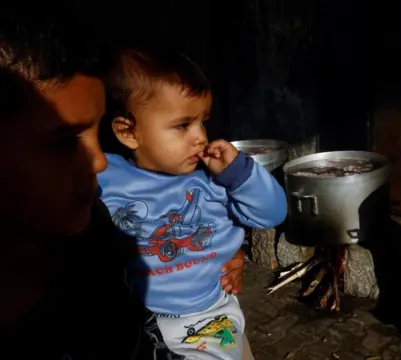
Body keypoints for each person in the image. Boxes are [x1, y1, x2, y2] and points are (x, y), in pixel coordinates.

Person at [0, 8, 246, 359]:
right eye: (62, 142)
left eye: (94, 133)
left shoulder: (95, 245)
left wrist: (218, 253)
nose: (99, 161)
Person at [97, 47, 287, 359]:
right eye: (183, 125)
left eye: (203, 121)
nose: (200, 136)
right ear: (128, 132)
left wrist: (239, 173)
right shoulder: (104, 176)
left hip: (209, 318)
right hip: (137, 323)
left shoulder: (213, 183)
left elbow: (272, 213)